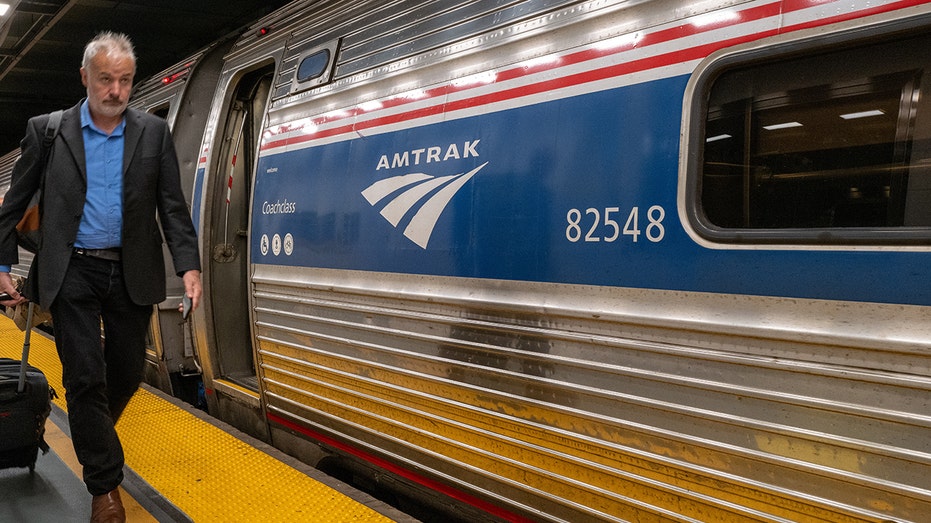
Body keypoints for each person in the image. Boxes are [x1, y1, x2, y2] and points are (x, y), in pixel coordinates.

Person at [0, 32, 201, 523]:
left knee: (128, 370)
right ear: (85, 77)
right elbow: (11, 206)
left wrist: (189, 265)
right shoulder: (47, 130)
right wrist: (1, 266)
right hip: (71, 270)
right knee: (85, 374)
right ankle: (104, 490)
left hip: (131, 269)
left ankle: (92, 433)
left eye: (125, 80)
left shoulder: (152, 132)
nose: (116, 90)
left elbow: (171, 206)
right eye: (106, 79)